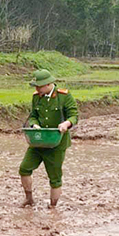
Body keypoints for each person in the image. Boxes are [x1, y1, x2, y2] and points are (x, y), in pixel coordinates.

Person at [19, 69, 79, 208]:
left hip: (56, 143)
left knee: (55, 177)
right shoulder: (36, 97)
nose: (36, 89)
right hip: (38, 141)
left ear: (48, 84)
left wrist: (66, 124)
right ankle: (29, 199)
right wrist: (34, 124)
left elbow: (74, 115)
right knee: (24, 169)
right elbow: (33, 115)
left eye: (38, 86)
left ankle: (53, 207)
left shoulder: (64, 96)